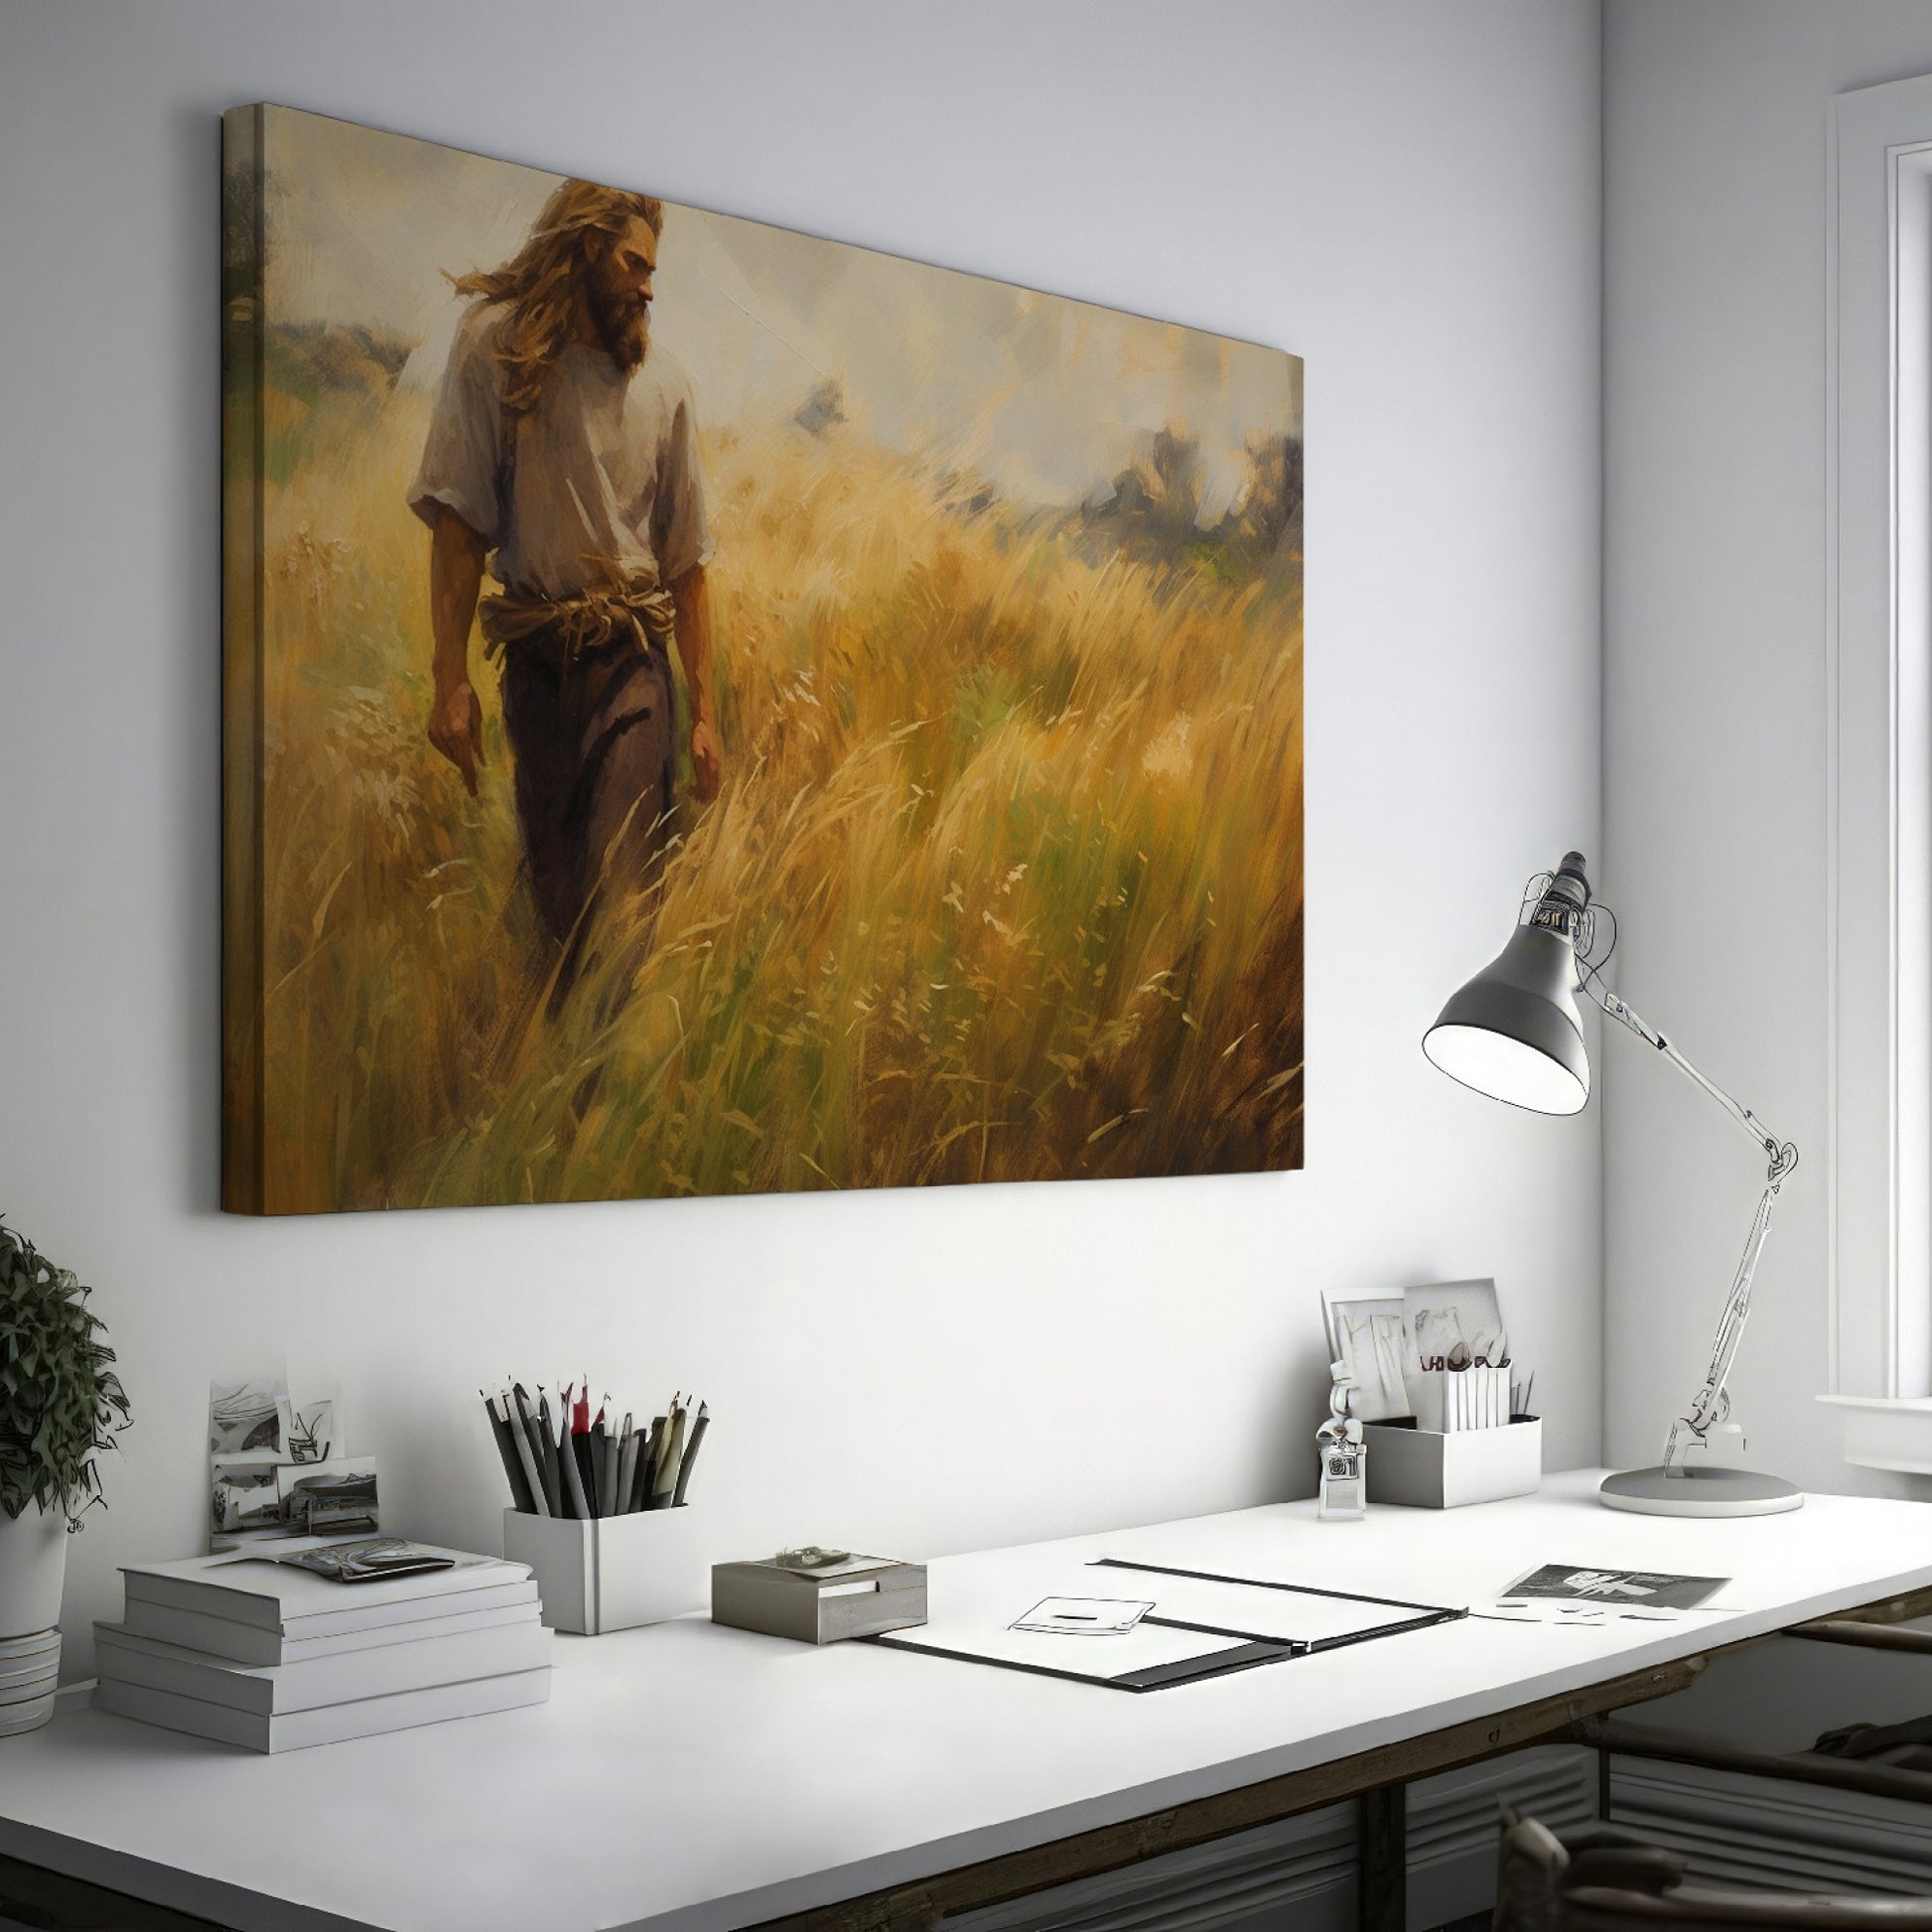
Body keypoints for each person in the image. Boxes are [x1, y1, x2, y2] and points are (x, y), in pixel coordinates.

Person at [407, 178, 720, 957]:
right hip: (536, 669)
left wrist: (706, 715)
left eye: (653, 272)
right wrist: (451, 681)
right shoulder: (496, 350)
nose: (649, 288)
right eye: (634, 265)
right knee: (559, 915)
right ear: (585, 249)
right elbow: (458, 526)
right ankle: (571, 1070)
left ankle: (607, 1067)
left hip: (633, 668)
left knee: (622, 895)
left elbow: (687, 568)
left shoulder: (667, 388)